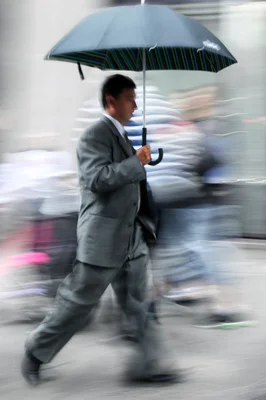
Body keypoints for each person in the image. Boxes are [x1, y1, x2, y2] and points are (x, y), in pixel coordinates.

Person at [21, 74, 179, 386]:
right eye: (130, 99)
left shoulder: (121, 134)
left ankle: (147, 365)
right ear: (111, 101)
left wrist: (139, 163)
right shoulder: (94, 135)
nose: (135, 105)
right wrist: (136, 163)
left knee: (140, 302)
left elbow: (125, 178)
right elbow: (96, 179)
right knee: (78, 303)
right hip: (103, 239)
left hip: (130, 238)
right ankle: (35, 352)